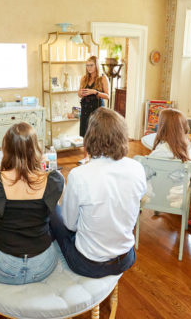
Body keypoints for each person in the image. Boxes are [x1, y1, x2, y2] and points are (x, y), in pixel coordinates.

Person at [49, 108, 146, 278]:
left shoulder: (79, 176)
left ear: (90, 136)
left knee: (53, 212)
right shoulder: (137, 168)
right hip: (126, 257)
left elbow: (70, 225)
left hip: (89, 264)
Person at [0, 122, 64, 284]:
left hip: (4, 268)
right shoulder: (53, 180)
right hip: (42, 266)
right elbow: (54, 206)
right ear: (36, 149)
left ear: (6, 149)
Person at [77, 55, 109, 164]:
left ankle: (99, 156)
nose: (89, 68)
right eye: (87, 65)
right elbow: (79, 94)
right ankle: (86, 157)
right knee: (86, 133)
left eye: (91, 65)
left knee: (97, 132)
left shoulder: (103, 78)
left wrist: (95, 92)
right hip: (86, 108)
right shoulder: (84, 78)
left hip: (97, 109)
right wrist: (81, 93)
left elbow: (107, 96)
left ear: (96, 65)